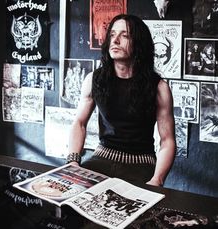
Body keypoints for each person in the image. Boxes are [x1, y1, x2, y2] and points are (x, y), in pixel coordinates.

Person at [66, 14, 176, 187]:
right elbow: (79, 122)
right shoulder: (93, 80)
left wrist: (157, 179)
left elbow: (167, 140)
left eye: (124, 35)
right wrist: (73, 161)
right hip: (101, 160)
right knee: (69, 201)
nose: (115, 40)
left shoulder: (159, 88)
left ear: (139, 43)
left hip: (141, 165)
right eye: (112, 35)